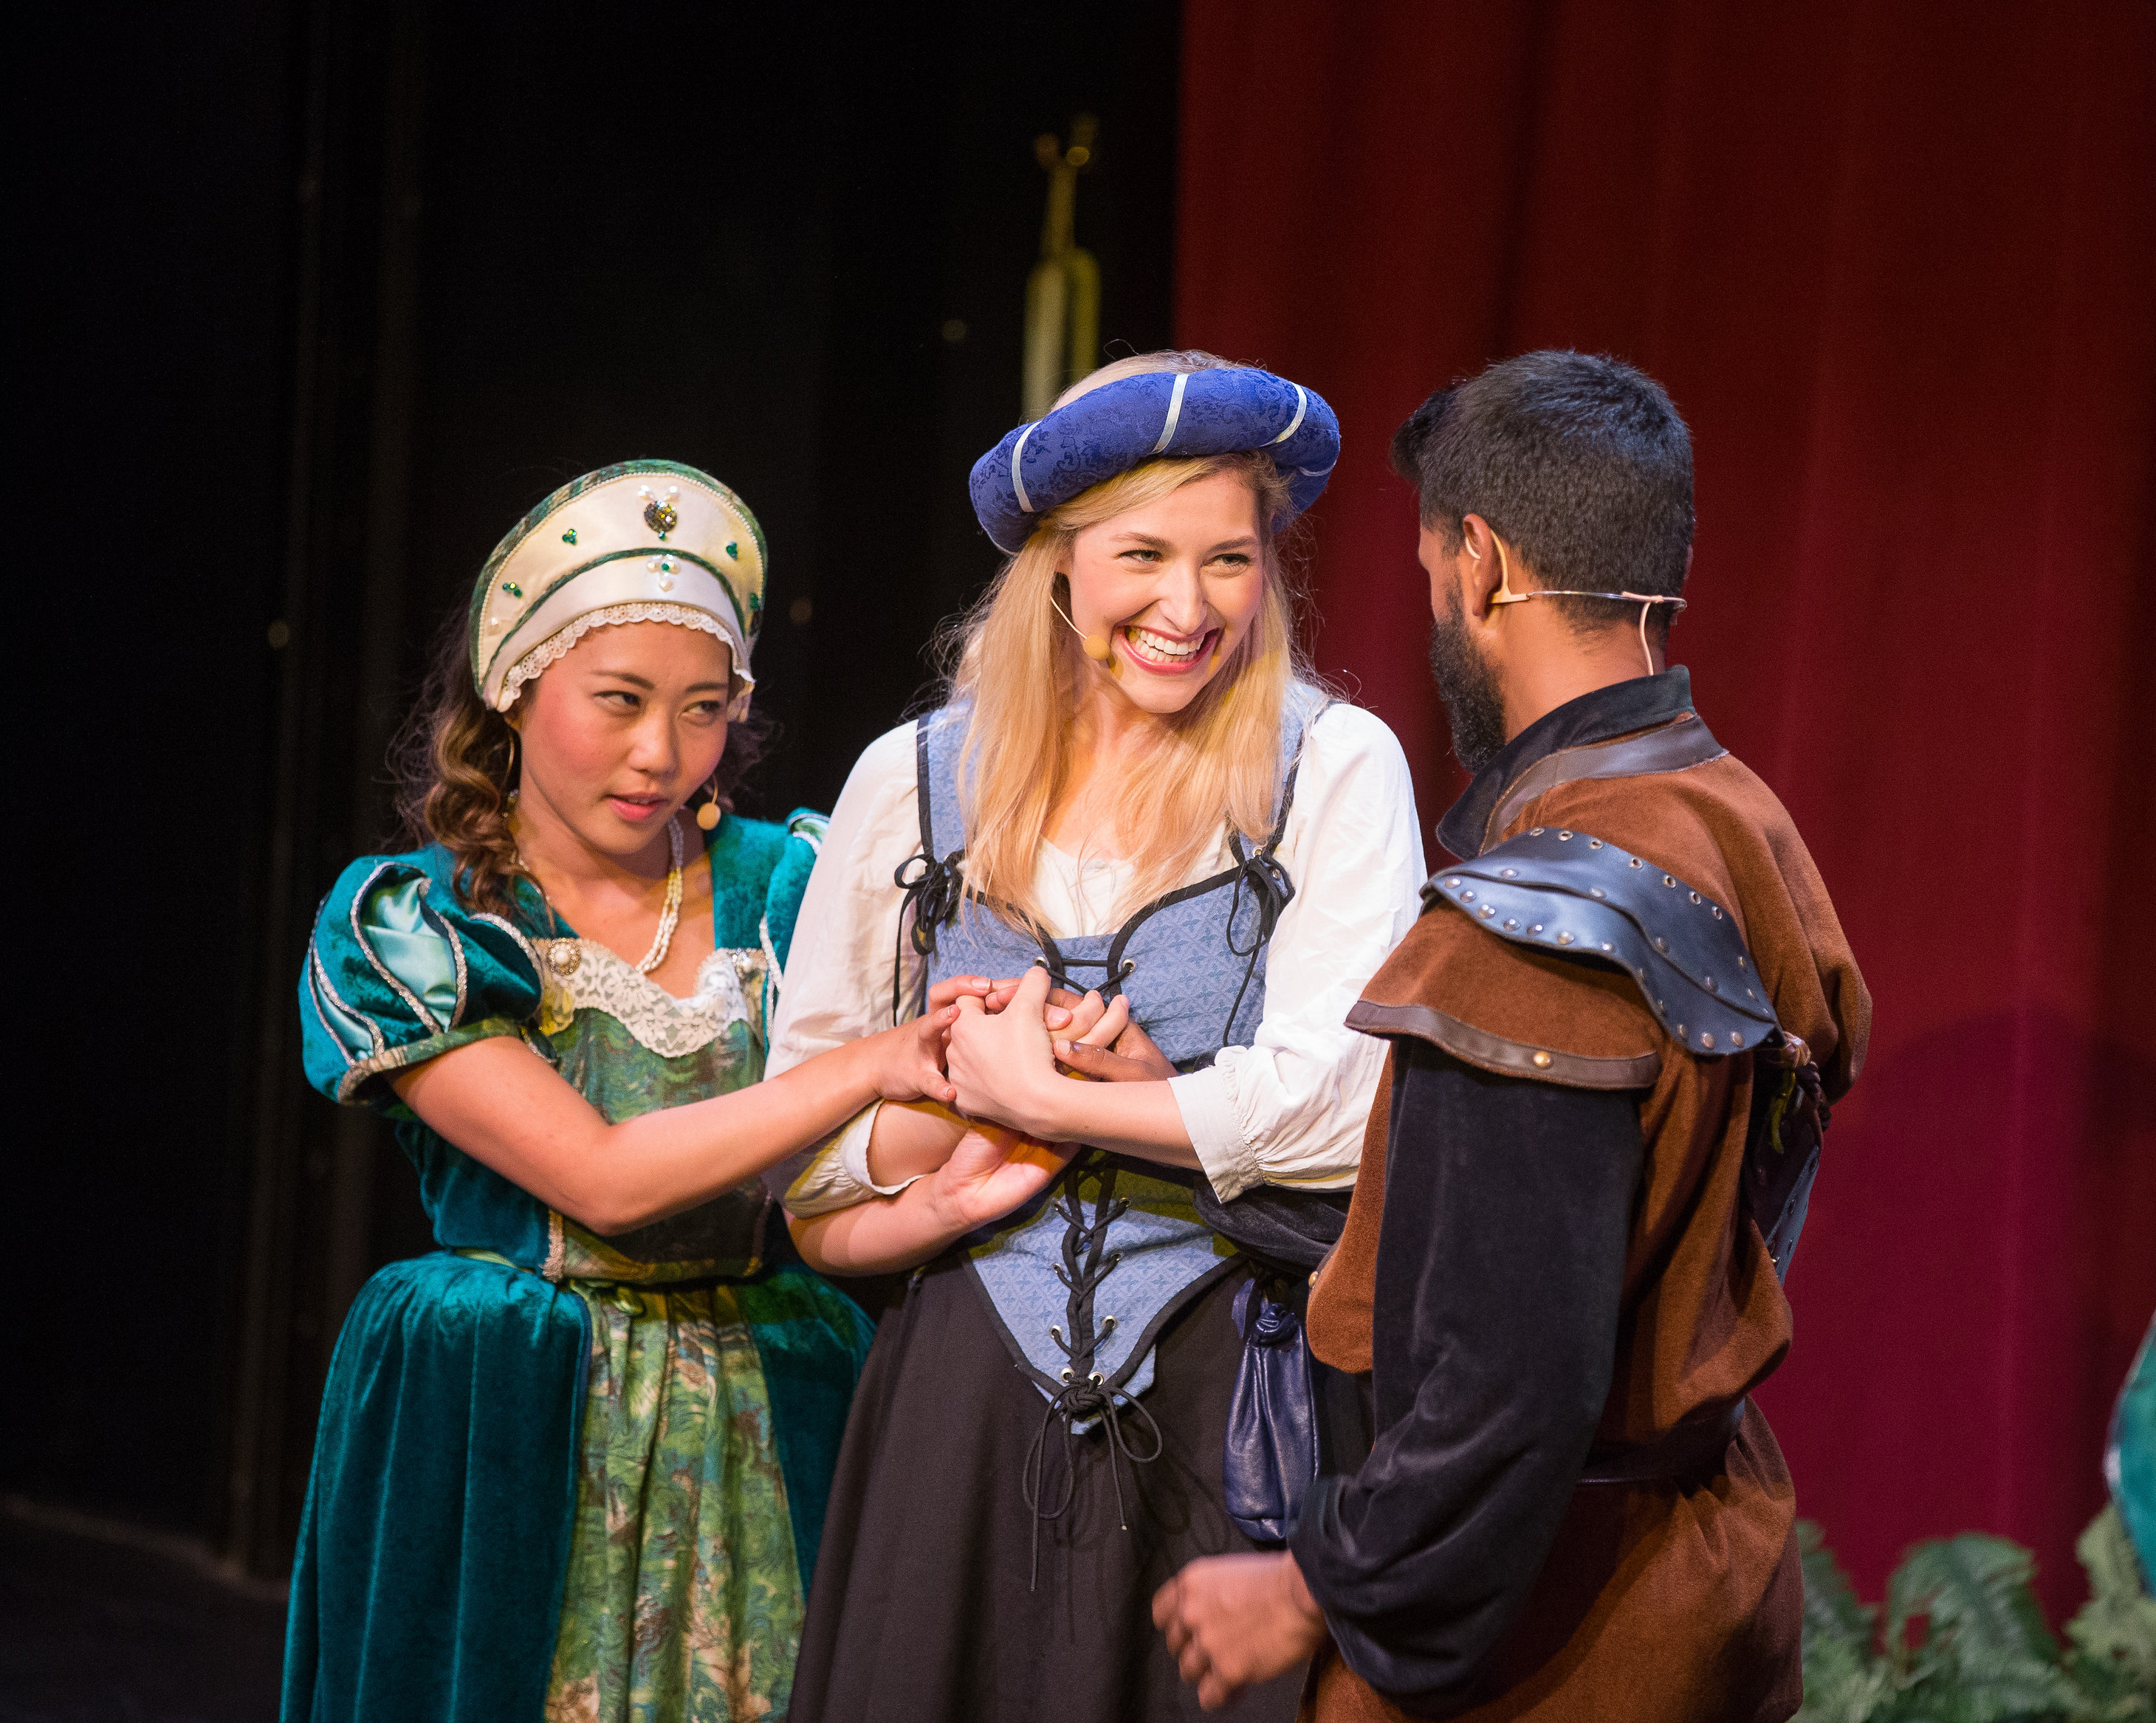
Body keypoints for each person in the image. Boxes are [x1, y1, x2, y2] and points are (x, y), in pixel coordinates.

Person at [1153, 352, 1874, 1722]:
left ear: (1480, 565)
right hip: (1709, 1574)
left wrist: (1316, 1585)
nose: (1436, 597)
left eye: (1433, 569)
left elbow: (1509, 1381)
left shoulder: (1528, 932)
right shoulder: (1741, 822)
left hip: (1565, 1634)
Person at [767, 350, 1424, 1723]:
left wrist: (1075, 1099)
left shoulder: (1332, 766)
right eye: (1144, 555)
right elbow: (802, 1140)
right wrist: (969, 1101)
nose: (1189, 607)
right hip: (961, 1402)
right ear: (1059, 561)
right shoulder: (916, 781)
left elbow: (1349, 1106)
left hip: (1220, 1411)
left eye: (1230, 559)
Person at [286, 461, 970, 1723]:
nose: (662, 752)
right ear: (514, 684)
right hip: (509, 1408)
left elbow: (883, 1141)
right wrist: (866, 1063)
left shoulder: (792, 886)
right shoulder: (429, 924)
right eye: (620, 700)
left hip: (767, 1398)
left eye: (704, 708)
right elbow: (599, 1178)